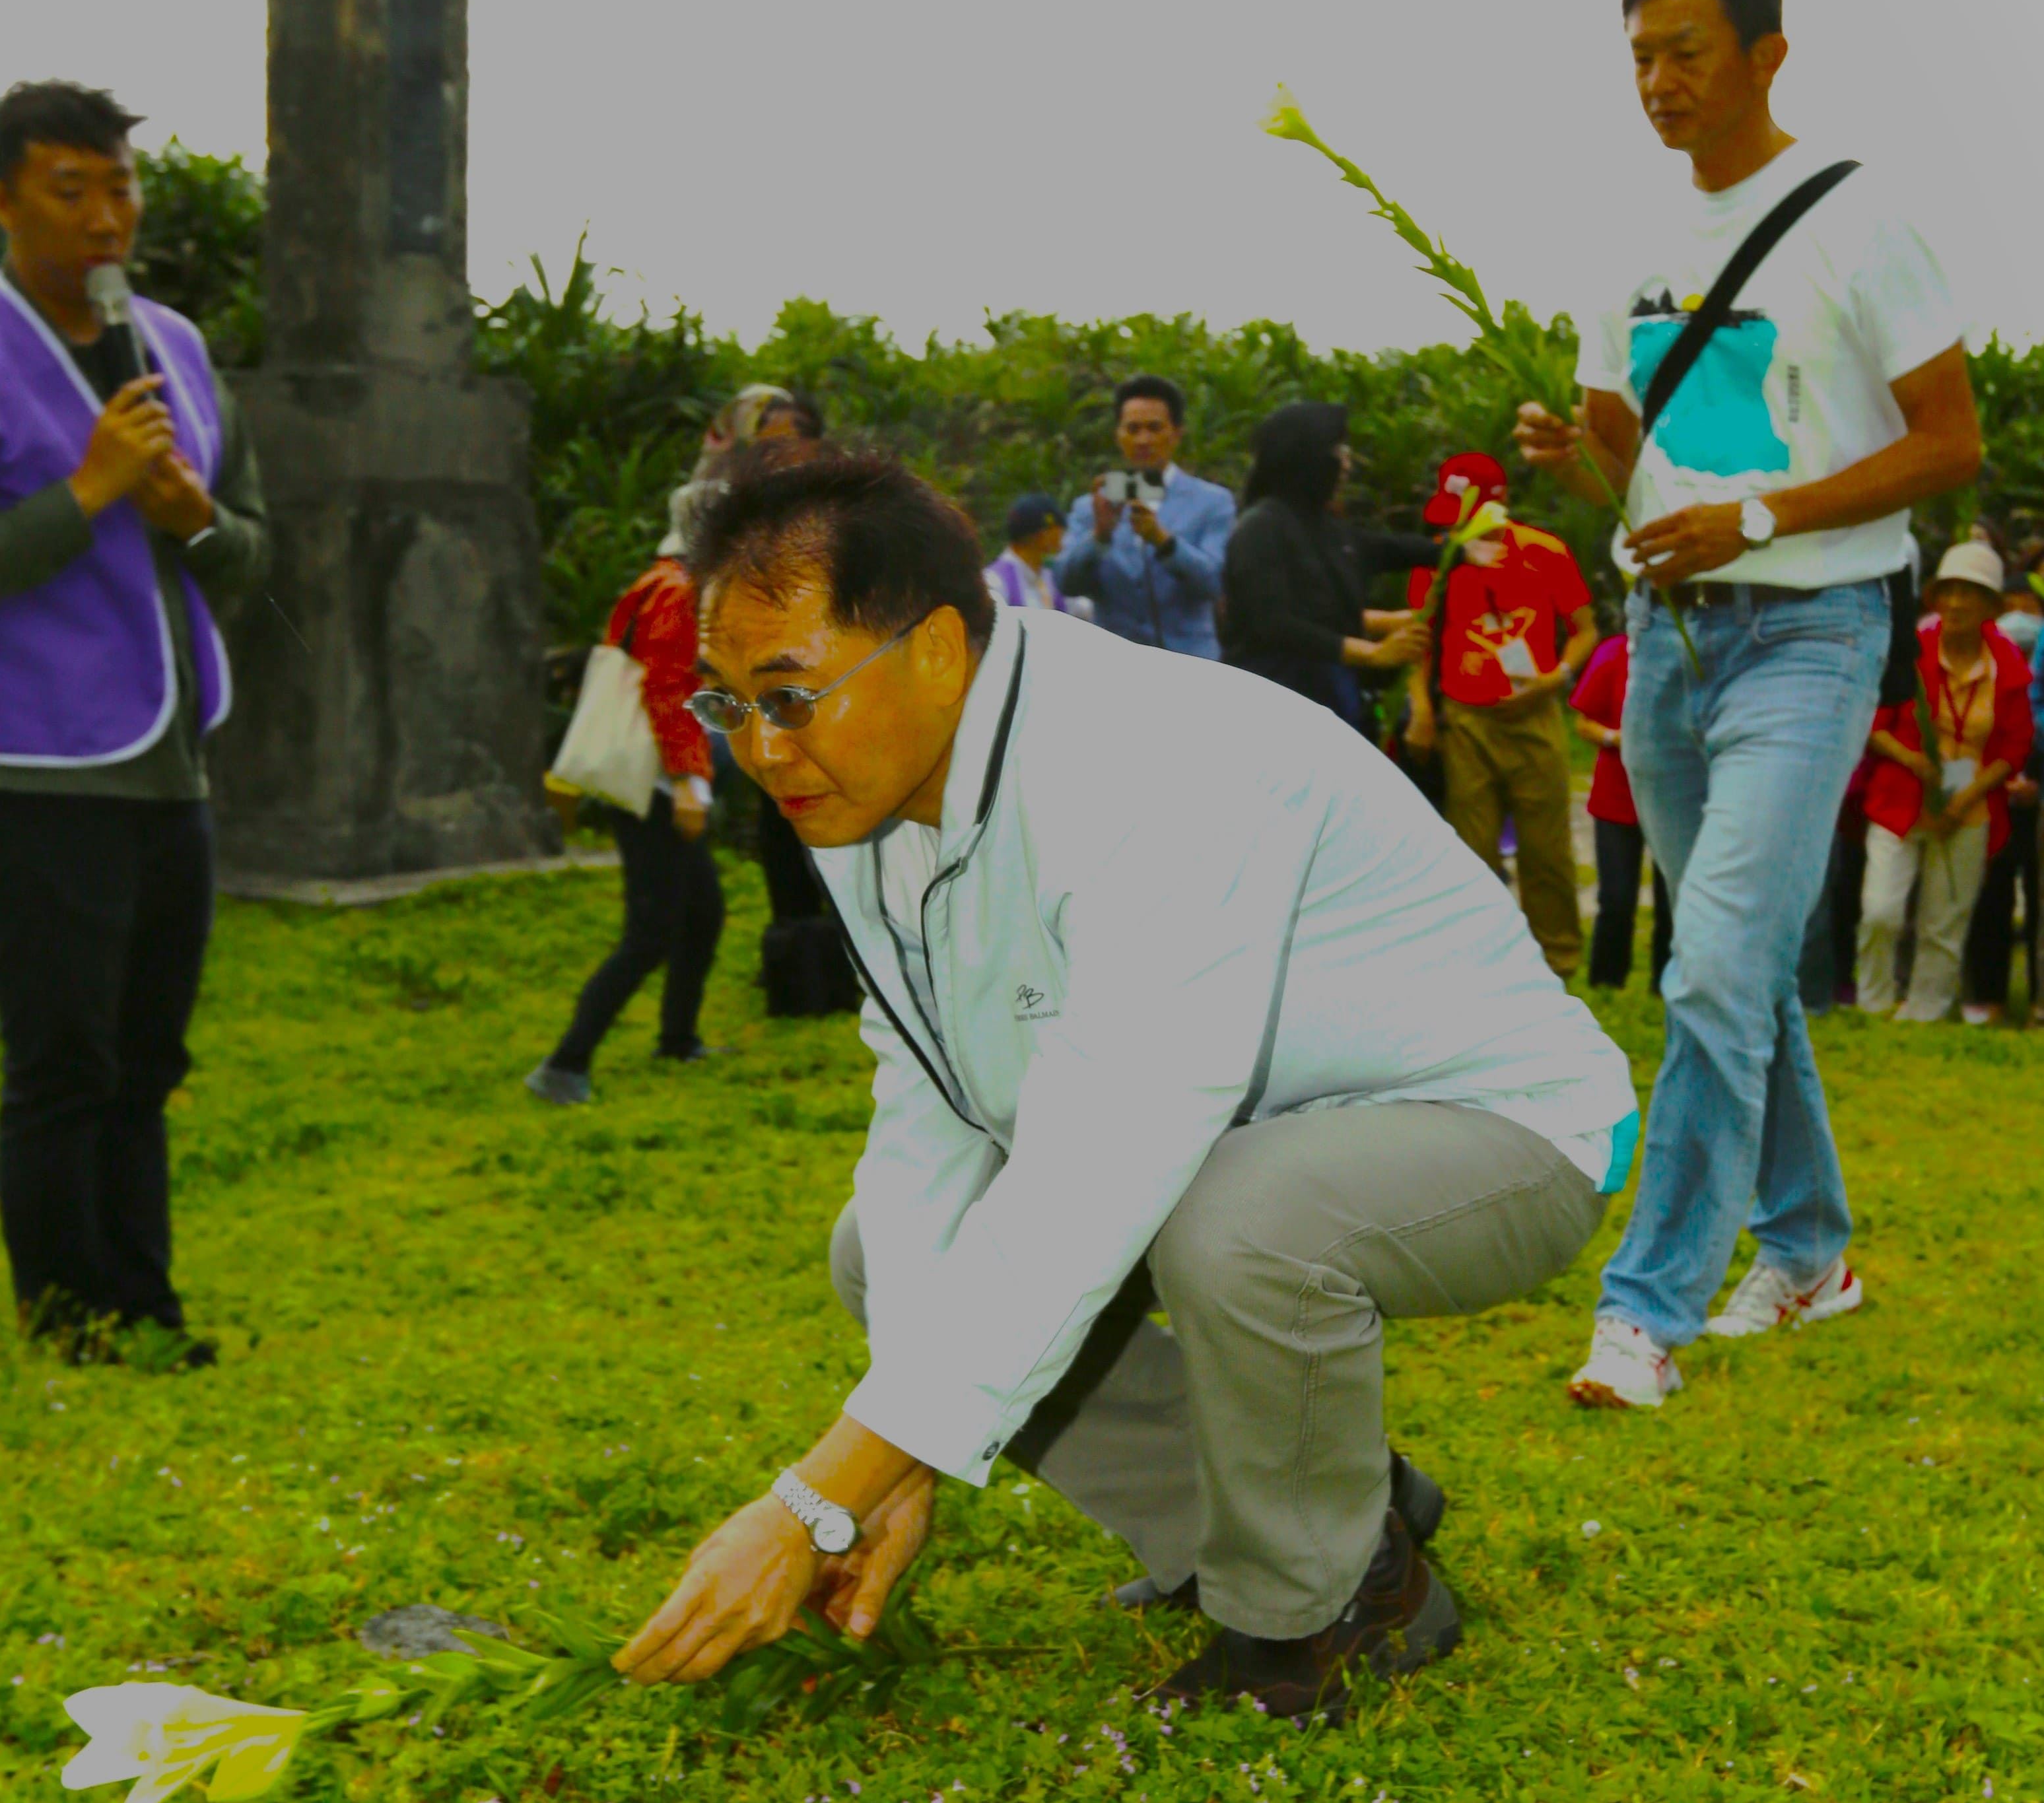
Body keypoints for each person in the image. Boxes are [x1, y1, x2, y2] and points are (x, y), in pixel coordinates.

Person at [609, 445, 1636, 1726]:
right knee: (884, 1252)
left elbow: (1108, 1157)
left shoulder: (1148, 765)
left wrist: (818, 1491)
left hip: (1503, 1130)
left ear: (933, 649)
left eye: (789, 695)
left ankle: (1323, 1603)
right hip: (1234, 1144)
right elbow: (929, 1103)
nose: (762, 748)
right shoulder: (868, 800)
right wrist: (897, 1458)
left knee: (1235, 1221)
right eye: (728, 704)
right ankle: (1315, 1509)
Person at [1516, 0, 1980, 1405]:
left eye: (1684, 52)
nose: (1655, 83)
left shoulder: (1855, 219)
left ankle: (1638, 1312)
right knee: (1741, 972)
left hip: (1812, 631)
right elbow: (1631, 471)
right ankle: (1809, 1249)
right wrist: (1573, 462)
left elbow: (1946, 443)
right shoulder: (1622, 238)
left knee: (1708, 961)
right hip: (1669, 637)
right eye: (1637, 57)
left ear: (1765, 54)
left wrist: (1764, 516)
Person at [0, 81, 269, 1362]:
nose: (107, 220)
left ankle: (144, 1309)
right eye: (70, 189)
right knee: (62, 1066)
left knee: (146, 1060)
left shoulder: (176, 348)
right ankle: (68, 1325)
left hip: (166, 767)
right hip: (29, 765)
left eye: (122, 189)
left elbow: (247, 557)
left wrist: (190, 514)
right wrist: (86, 492)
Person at [524, 482, 723, 1105]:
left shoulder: (654, 581)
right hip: (656, 785)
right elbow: (669, 692)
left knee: (702, 912)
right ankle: (565, 1062)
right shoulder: (681, 592)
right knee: (651, 932)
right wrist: (691, 782)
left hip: (644, 778)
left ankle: (678, 1037)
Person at [1402, 455, 1596, 976]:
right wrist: (1420, 707)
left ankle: (1558, 961)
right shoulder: (1438, 560)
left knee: (1546, 849)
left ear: (1500, 503)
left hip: (1534, 719)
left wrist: (1556, 678)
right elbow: (1417, 643)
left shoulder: (1543, 553)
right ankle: (1481, 961)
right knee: (1472, 848)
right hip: (1466, 723)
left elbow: (1585, 630)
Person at [1855, 541, 2032, 1021]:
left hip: (1969, 801)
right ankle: (1872, 1002)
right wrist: (1914, 762)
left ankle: (1927, 1010)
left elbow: (2014, 746)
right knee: (1881, 910)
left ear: (1990, 606)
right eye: (1948, 592)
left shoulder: (2006, 665)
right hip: (1901, 796)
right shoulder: (1909, 653)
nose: (1956, 604)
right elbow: (1869, 722)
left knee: (1944, 919)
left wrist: (1967, 795)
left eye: (1969, 594)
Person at [1217, 402, 1431, 729]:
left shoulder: (1322, 525)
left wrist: (1461, 550)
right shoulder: (1261, 528)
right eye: (1337, 450)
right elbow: (1273, 623)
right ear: (1307, 459)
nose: (1346, 463)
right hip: (1273, 705)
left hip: (1330, 697)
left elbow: (1387, 549)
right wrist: (1371, 653)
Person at [1054, 376, 1234, 658]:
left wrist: (1163, 542)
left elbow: (1215, 583)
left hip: (1192, 667)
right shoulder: (1091, 507)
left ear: (1176, 434)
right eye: (1133, 429)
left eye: (1155, 428)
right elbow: (1066, 583)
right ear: (1118, 435)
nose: (1143, 440)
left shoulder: (1212, 502)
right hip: (1117, 667)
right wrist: (1099, 537)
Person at [1567, 629, 1672, 994]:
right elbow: (1582, 722)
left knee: (1673, 900)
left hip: (1673, 796)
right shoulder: (1615, 653)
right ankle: (1607, 982)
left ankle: (1667, 985)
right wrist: (1615, 738)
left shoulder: (1690, 653)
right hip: (1616, 795)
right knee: (1616, 898)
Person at [1962, 565, 2041, 1023]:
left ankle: (2037, 996)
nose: (2017, 619)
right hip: (1982, 789)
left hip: (2035, 782)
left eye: (2026, 609)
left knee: (2036, 894)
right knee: (1988, 894)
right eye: (2007, 609)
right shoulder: (1977, 658)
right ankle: (1986, 994)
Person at [984, 493, 1070, 612]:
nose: (1063, 536)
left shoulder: (1047, 576)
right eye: (1059, 530)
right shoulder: (995, 581)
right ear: (1043, 533)